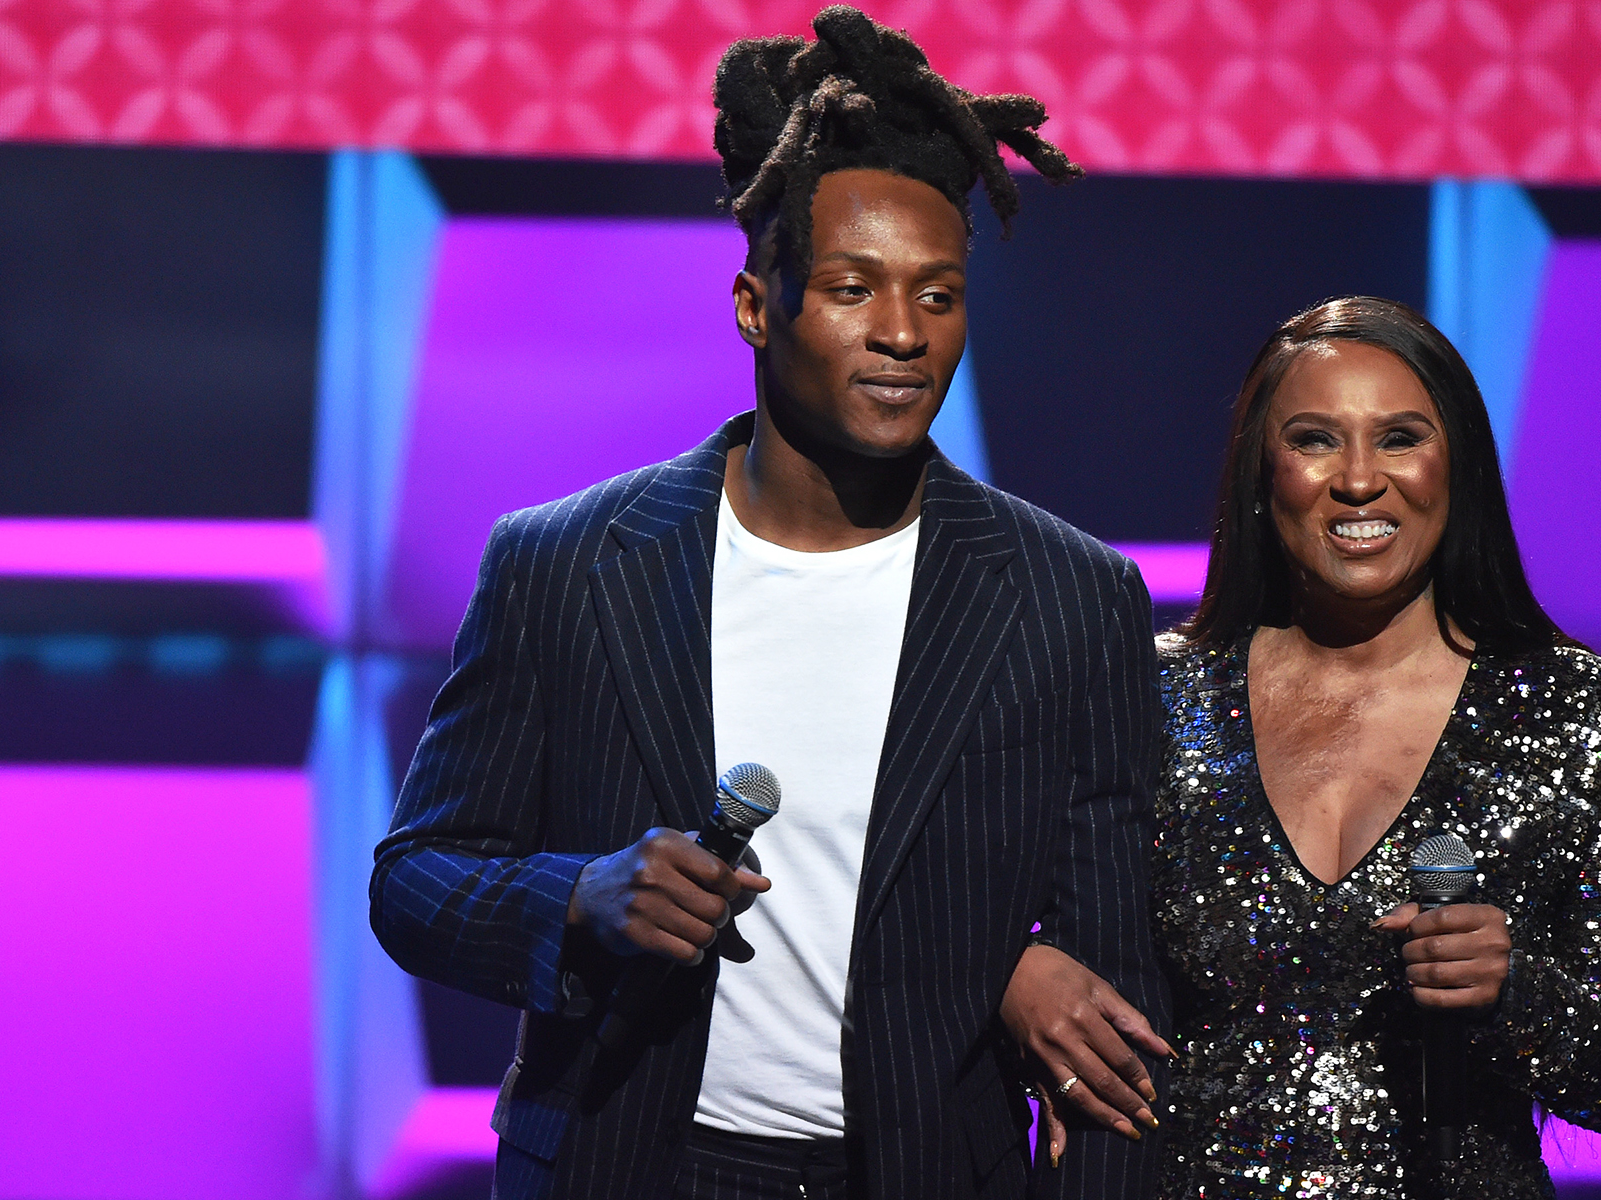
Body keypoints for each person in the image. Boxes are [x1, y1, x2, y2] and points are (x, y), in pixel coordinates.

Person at [370, 8, 1168, 1197]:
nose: (901, 333)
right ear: (757, 305)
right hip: (625, 1164)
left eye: (938, 296)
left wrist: (1002, 973)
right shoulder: (568, 565)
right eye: (853, 288)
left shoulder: (1068, 597)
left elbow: (1116, 1012)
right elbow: (416, 879)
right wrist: (578, 896)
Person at [1010, 296, 1601, 1197]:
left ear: (1458, 465)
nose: (1360, 480)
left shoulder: (1588, 715)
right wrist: (1016, 976)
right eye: (1314, 440)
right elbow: (996, 919)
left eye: (1402, 437)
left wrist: (1520, 989)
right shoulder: (1148, 695)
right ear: (1263, 473)